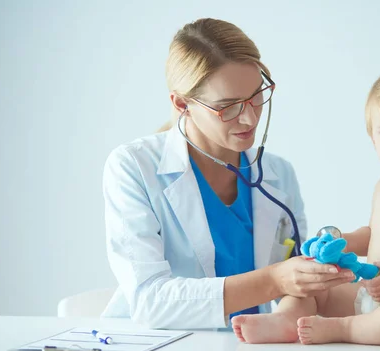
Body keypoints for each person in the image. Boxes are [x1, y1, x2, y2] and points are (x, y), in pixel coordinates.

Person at [100, 18, 355, 329]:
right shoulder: (133, 167)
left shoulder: (279, 175)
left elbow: (297, 287)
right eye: (228, 106)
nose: (249, 118)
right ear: (182, 104)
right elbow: (150, 301)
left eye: (255, 96)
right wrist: (275, 280)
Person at [232, 64, 380, 345]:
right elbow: (374, 235)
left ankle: (343, 329)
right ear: (373, 138)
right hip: (371, 292)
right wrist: (342, 242)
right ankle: (286, 320)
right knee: (311, 284)